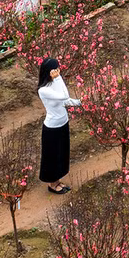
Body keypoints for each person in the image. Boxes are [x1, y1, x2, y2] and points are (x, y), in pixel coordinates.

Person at [37, 57, 80, 194]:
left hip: (63, 124)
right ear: (48, 72)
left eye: (58, 69)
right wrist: (58, 78)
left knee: (61, 154)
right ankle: (52, 184)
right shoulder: (43, 90)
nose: (57, 71)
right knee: (52, 156)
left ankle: (57, 181)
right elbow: (64, 95)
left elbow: (66, 100)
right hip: (52, 128)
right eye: (54, 69)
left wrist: (81, 102)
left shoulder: (55, 83)